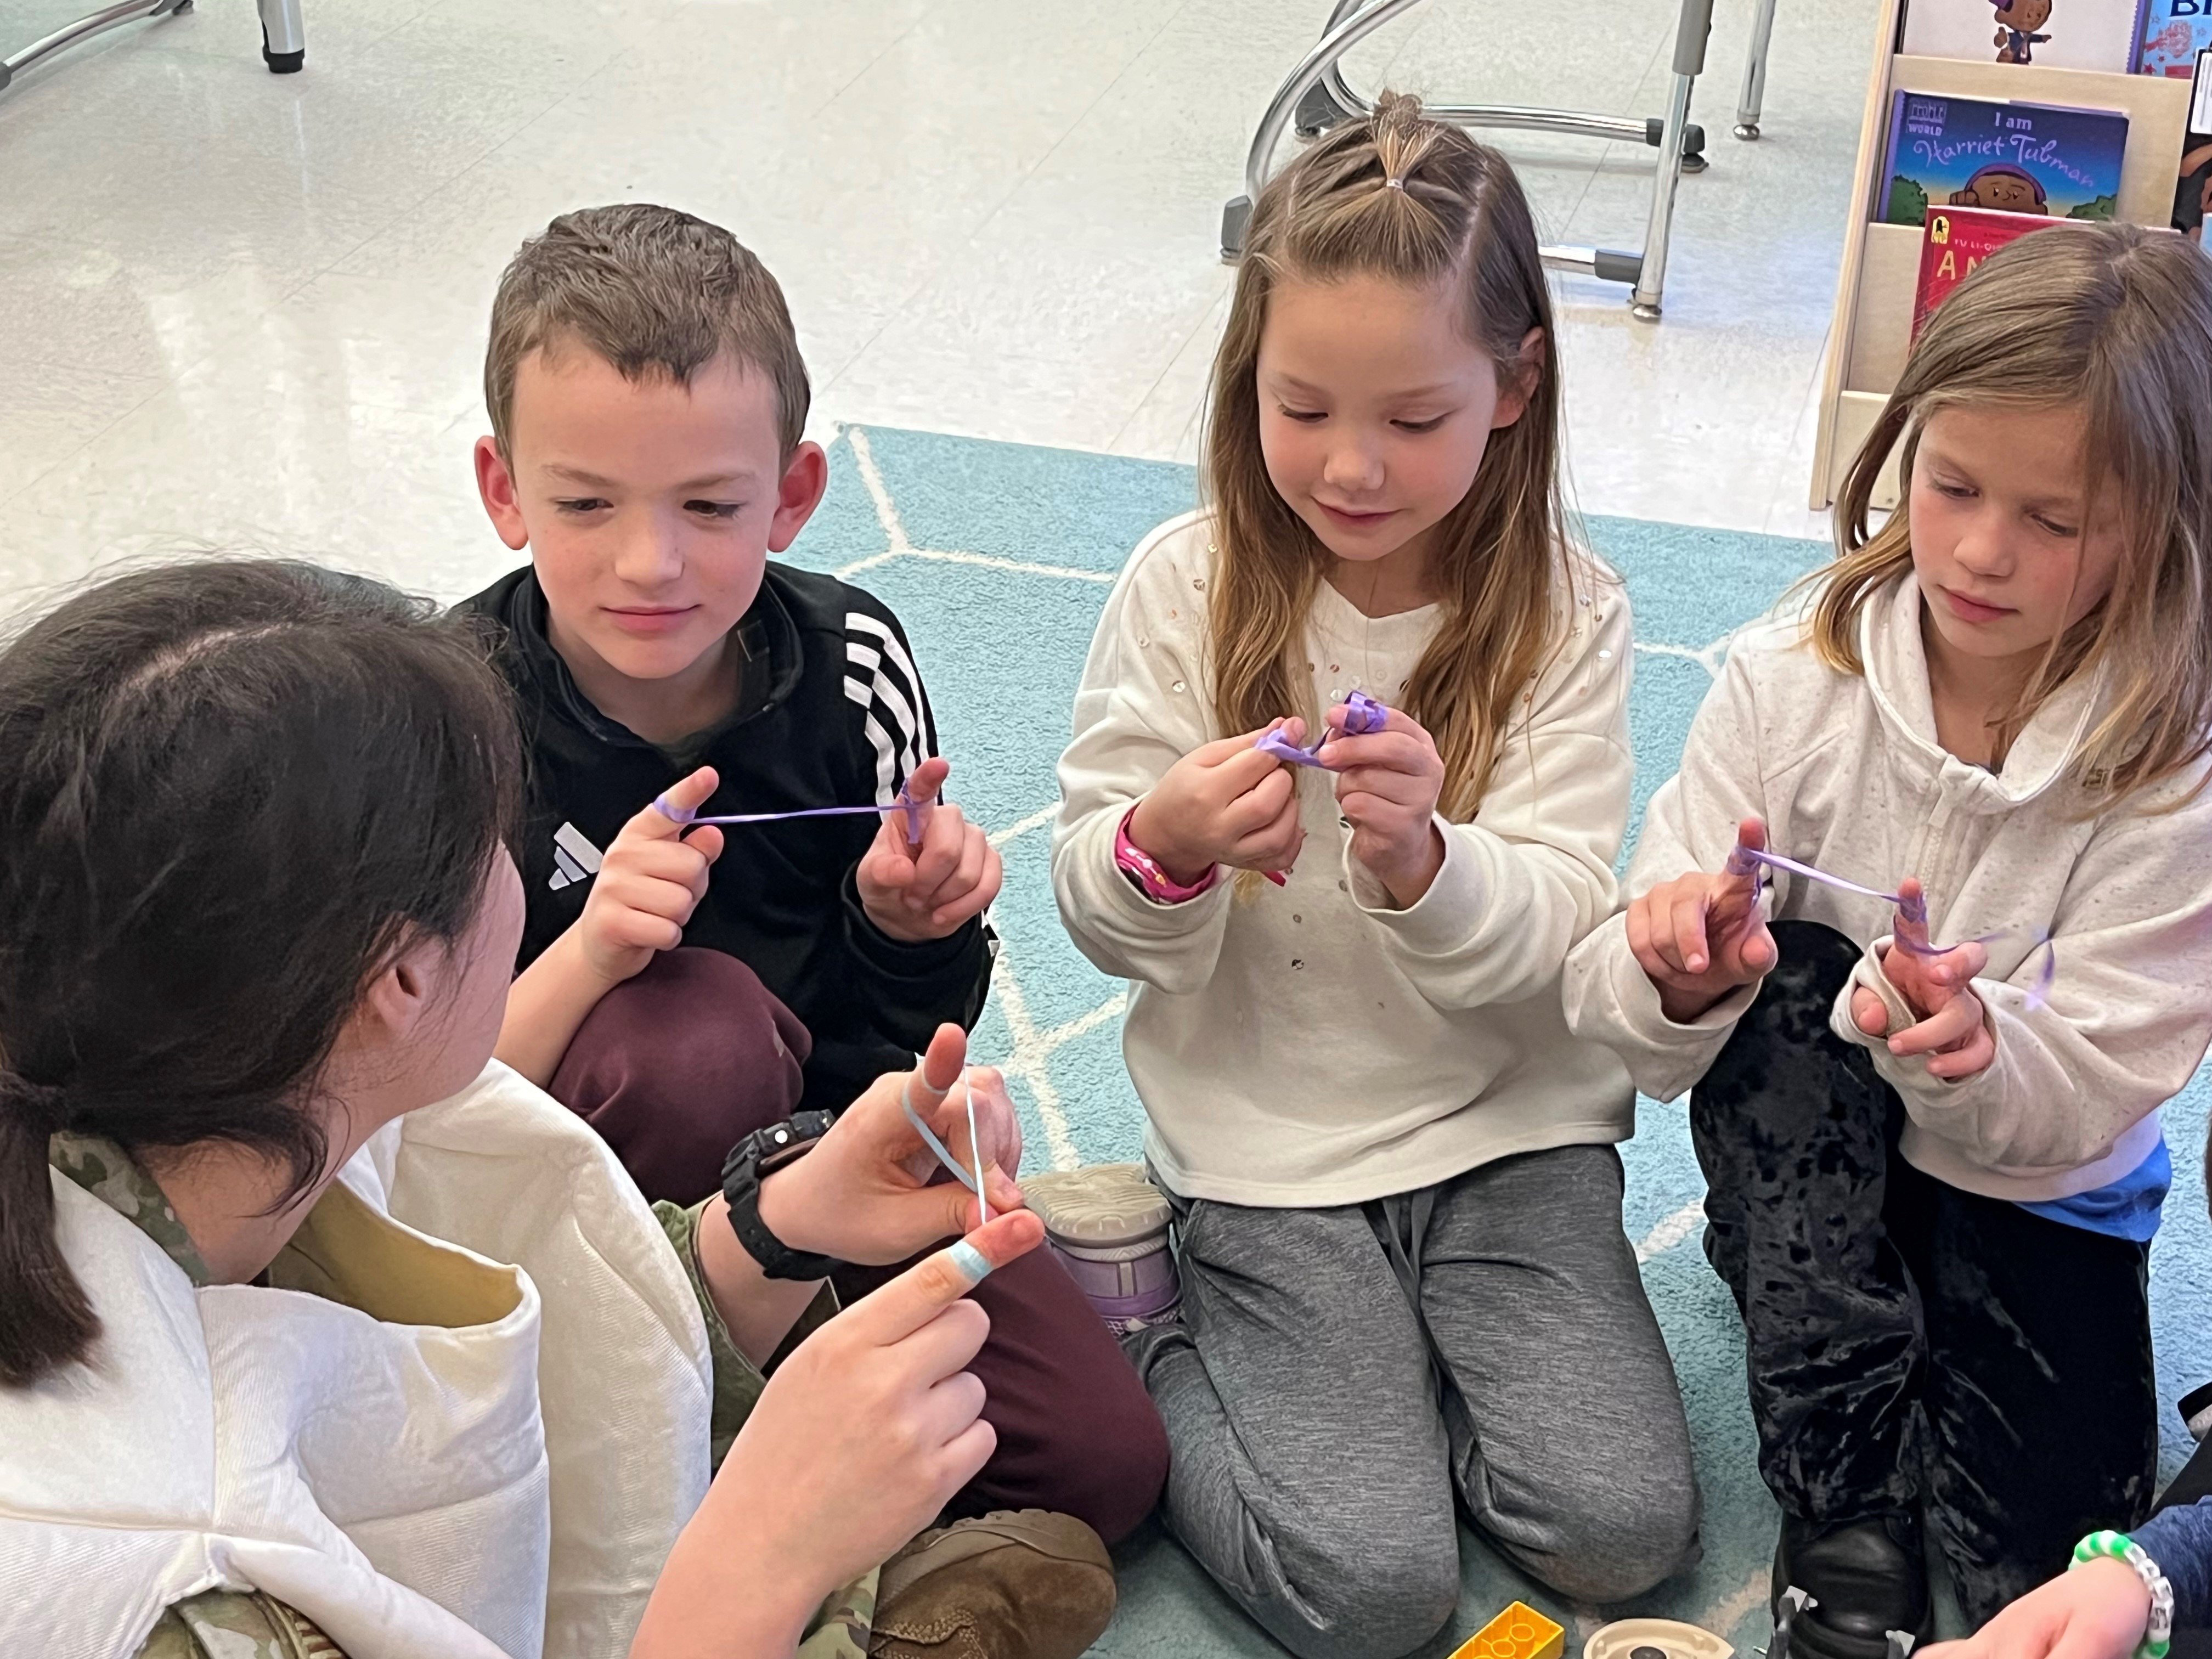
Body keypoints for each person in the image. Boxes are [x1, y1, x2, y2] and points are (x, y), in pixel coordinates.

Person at [0, 560, 1123, 1659]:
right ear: (397, 981)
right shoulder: (181, 1594)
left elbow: (473, 1321)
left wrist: (774, 1230)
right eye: (497, 846)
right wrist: (757, 1563)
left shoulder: (210, 1103)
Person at [1049, 93, 1701, 1659]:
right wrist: (1166, 850)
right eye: (1304, 407)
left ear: (1517, 386)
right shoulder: (1184, 584)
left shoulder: (1568, 611)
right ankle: (1130, 1340)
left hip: (1509, 1132)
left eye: (1415, 418)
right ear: (1247, 378)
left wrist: (1428, 867)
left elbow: (1562, 931)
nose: (1351, 468)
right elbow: (1086, 895)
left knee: (1621, 1535)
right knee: (1369, 1593)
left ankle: (1390, 1377)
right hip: (1264, 1148)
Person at [460, 203, 1167, 1548]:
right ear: (505, 494)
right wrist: (591, 955)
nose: (650, 562)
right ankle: (695, 1460)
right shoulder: (454, 717)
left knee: (1102, 1471)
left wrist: (910, 928)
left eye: (711, 507)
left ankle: (772, 1449)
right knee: (700, 1031)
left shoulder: (852, 663)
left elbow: (900, 1039)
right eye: (584, 504)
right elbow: (419, 1115)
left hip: (831, 1159)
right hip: (584, 1239)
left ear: (792, 495)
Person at [1561, 223, 2212, 1655]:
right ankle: (1836, 1495)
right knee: (1796, 980)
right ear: (1898, 446)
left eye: (2056, 519)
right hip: (1816, 1166)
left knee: (2039, 1588)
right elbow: (1611, 1013)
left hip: (2040, 1192)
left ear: (2168, 523)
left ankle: (1874, 1313)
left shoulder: (2179, 768)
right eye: (1953, 482)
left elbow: (2109, 1073)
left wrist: (1976, 1056)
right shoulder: (1786, 682)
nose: (1982, 550)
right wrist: (1671, 967)